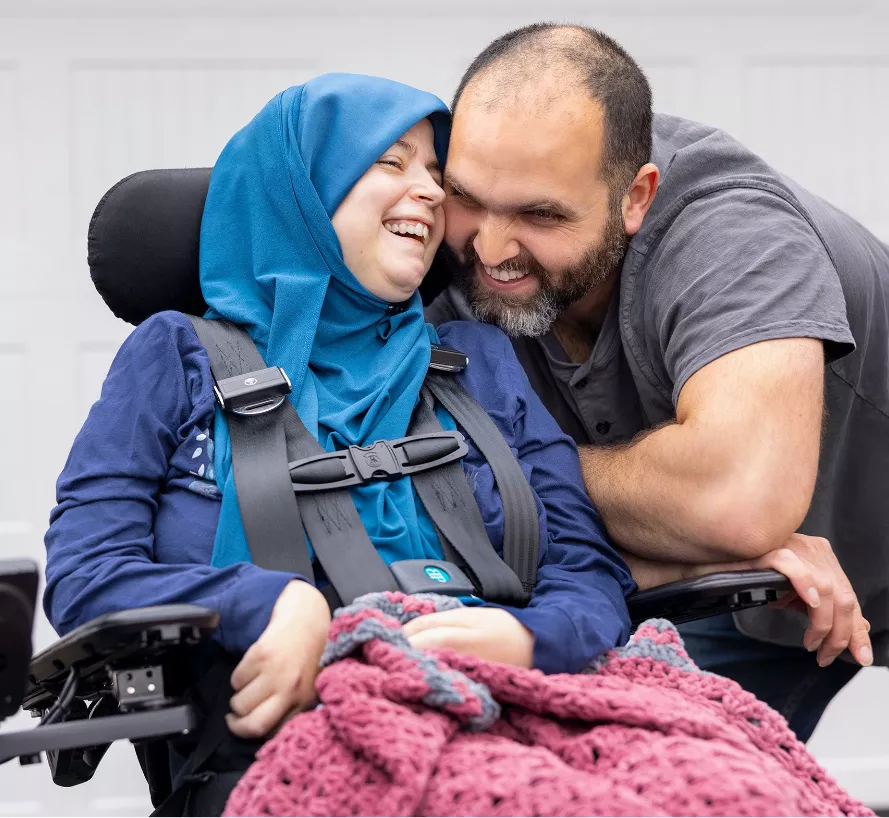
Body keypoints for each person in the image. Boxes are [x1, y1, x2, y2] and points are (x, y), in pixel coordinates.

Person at [43, 73, 635, 812]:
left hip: (516, 723)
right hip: (287, 759)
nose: (427, 191)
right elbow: (86, 575)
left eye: (434, 174)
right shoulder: (176, 357)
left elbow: (587, 567)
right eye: (390, 162)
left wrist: (530, 639)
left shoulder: (480, 360)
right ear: (302, 191)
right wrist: (265, 602)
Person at [425, 22, 888, 743]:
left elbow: (732, 500)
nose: (489, 247)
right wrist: (688, 536)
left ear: (635, 196)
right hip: (760, 593)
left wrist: (510, 474)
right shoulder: (426, 236)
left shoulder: (730, 235)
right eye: (468, 198)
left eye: (539, 215)